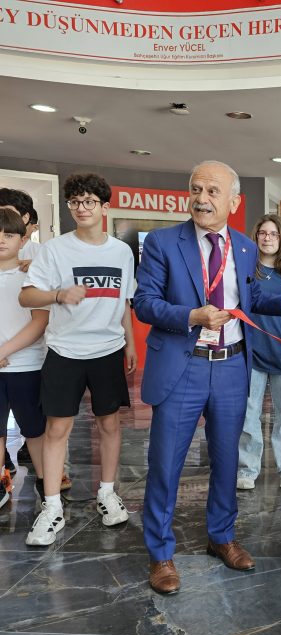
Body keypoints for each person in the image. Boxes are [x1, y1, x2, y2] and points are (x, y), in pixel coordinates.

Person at [134, 160, 281, 595]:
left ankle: (221, 536)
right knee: (166, 463)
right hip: (184, 365)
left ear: (233, 202)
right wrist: (191, 316)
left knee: (227, 460)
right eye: (196, 189)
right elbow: (144, 303)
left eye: (213, 191)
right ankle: (160, 554)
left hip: (233, 366)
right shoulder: (162, 243)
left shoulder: (245, 248)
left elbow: (248, 298)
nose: (202, 199)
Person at [20, 173, 138, 546]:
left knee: (110, 424)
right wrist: (58, 295)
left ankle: (107, 493)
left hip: (108, 350)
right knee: (57, 429)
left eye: (89, 201)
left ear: (105, 207)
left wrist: (130, 344)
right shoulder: (55, 249)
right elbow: (26, 297)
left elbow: (125, 302)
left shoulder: (121, 252)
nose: (81, 208)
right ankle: (52, 507)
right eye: (75, 202)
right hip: (64, 351)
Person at [237, 214, 281, 490]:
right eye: (263, 233)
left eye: (273, 234)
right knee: (248, 413)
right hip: (252, 357)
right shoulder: (246, 274)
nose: (267, 238)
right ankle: (247, 469)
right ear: (256, 237)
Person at [0, 209, 48, 508]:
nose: (1, 240)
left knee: (34, 429)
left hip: (27, 366)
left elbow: (39, 322)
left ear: (22, 240)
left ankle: (47, 484)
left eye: (8, 234)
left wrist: (3, 352)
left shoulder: (32, 276)